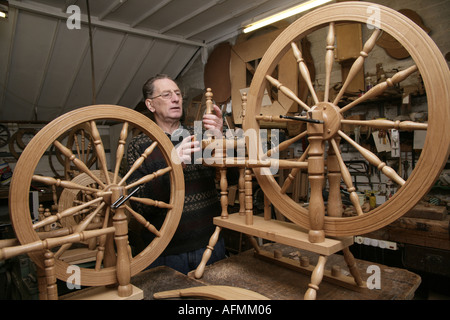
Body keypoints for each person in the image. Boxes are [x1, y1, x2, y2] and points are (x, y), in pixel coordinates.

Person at [126, 74, 236, 274]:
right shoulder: (139, 146)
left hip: (210, 246)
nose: (176, 99)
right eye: (166, 95)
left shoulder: (200, 137)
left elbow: (232, 178)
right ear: (150, 105)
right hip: (165, 253)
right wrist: (173, 166)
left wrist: (220, 137)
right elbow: (139, 205)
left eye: (177, 94)